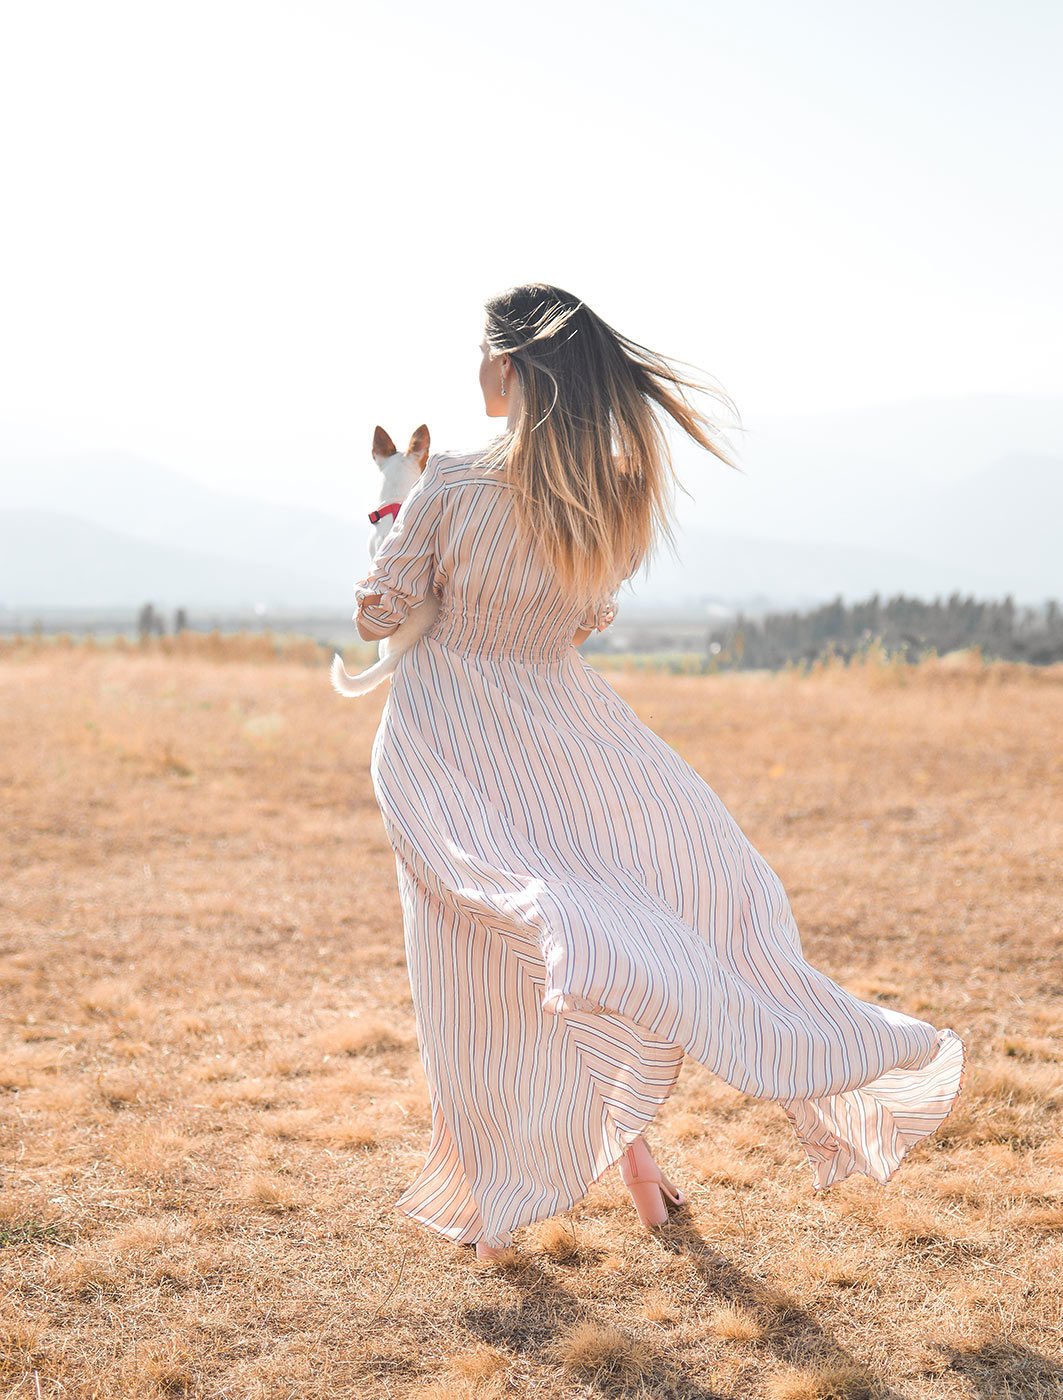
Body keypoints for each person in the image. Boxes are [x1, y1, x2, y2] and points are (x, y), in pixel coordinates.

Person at [351, 283, 967, 1263]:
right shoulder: (614, 487)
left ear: (509, 366)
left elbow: (381, 613)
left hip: (444, 741)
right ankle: (624, 1159)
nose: (474, 369)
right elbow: (586, 618)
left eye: (480, 351)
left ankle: (494, 1211)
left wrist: (390, 552)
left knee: (474, 971)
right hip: (566, 726)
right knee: (627, 914)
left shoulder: (454, 483)